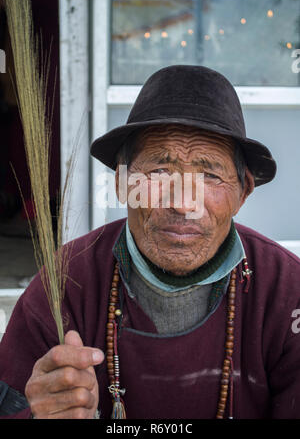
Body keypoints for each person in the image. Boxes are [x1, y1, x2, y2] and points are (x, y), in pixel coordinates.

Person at [0, 65, 299, 419]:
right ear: (122, 184)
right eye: (159, 171)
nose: (182, 202)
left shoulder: (287, 287)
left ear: (243, 191)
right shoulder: (67, 280)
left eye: (209, 175)